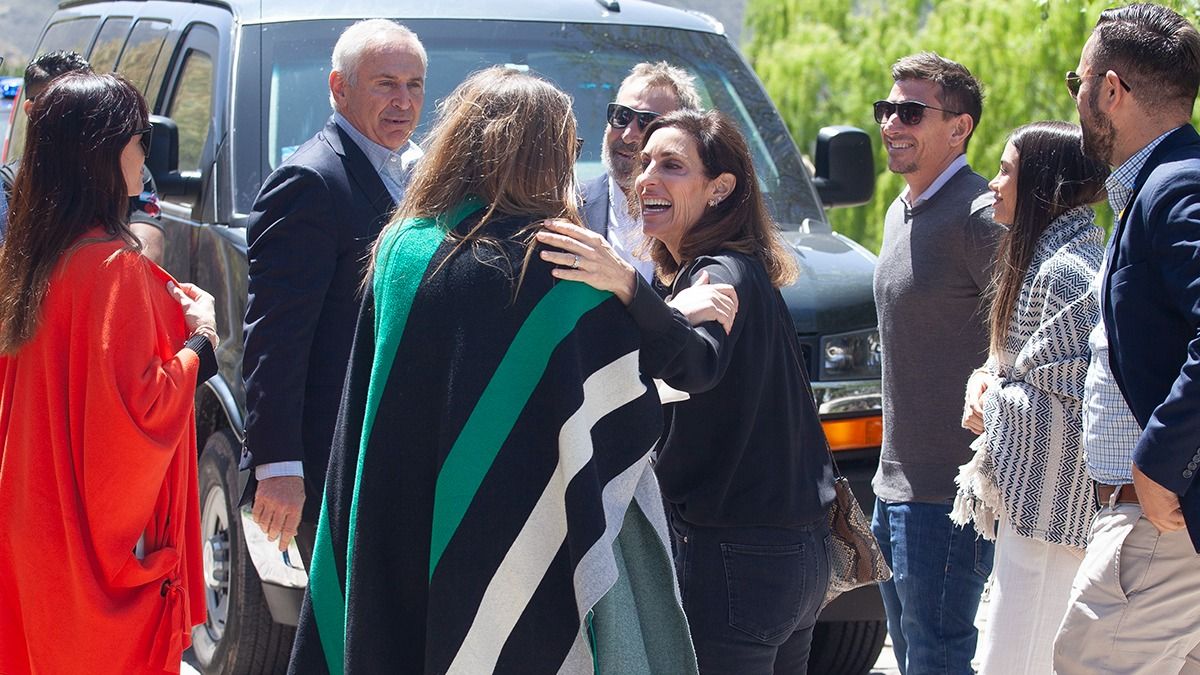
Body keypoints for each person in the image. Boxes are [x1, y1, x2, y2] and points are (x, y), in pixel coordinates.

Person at [288, 66, 697, 675]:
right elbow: (630, 410)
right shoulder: (561, 270)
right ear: (545, 155)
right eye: (569, 149)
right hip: (519, 558)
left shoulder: (404, 247)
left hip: (393, 533)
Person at [536, 109, 835, 675]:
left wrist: (627, 285)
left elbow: (695, 367)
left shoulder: (717, 273)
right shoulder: (734, 269)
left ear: (720, 188)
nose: (647, 176)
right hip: (791, 554)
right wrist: (663, 305)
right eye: (645, 162)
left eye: (672, 166)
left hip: (738, 558)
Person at [0, 72, 217, 674]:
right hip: (88, 545)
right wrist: (201, 339)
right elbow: (141, 409)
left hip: (30, 517)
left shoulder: (29, 257)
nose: (146, 155)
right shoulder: (111, 266)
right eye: (139, 138)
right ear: (100, 150)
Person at [241, 19, 426, 560]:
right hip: (332, 461)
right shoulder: (310, 181)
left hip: (395, 453)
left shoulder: (419, 172)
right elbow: (275, 337)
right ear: (339, 87)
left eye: (414, 85)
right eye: (384, 83)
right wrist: (278, 467)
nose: (403, 101)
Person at [1052, 5, 1200, 673]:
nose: (1076, 98)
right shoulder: (1158, 185)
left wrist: (1163, 461)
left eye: (1075, 81)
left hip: (1157, 519)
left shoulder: (1176, 187)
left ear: (1110, 89)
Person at [948, 121, 1107, 674]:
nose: (993, 184)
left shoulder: (1068, 270)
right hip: (1039, 505)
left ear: (1046, 186)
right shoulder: (1054, 256)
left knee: (1018, 659)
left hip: (1055, 511)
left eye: (1007, 171)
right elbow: (1021, 371)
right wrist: (987, 382)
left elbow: (1069, 405)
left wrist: (991, 400)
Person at [869, 52, 1001, 675]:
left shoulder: (981, 216)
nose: (892, 123)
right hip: (891, 486)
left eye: (911, 111)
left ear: (959, 127)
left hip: (949, 497)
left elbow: (1034, 329)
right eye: (886, 109)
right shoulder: (900, 211)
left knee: (936, 662)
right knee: (914, 660)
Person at [0, 50, 164, 261]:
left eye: (92, 107)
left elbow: (149, 249)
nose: (83, 120)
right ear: (32, 110)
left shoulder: (127, 172)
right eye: (61, 107)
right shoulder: (11, 183)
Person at [579, 61, 702, 281]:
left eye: (648, 123)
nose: (628, 135)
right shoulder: (567, 209)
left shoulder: (705, 222)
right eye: (621, 116)